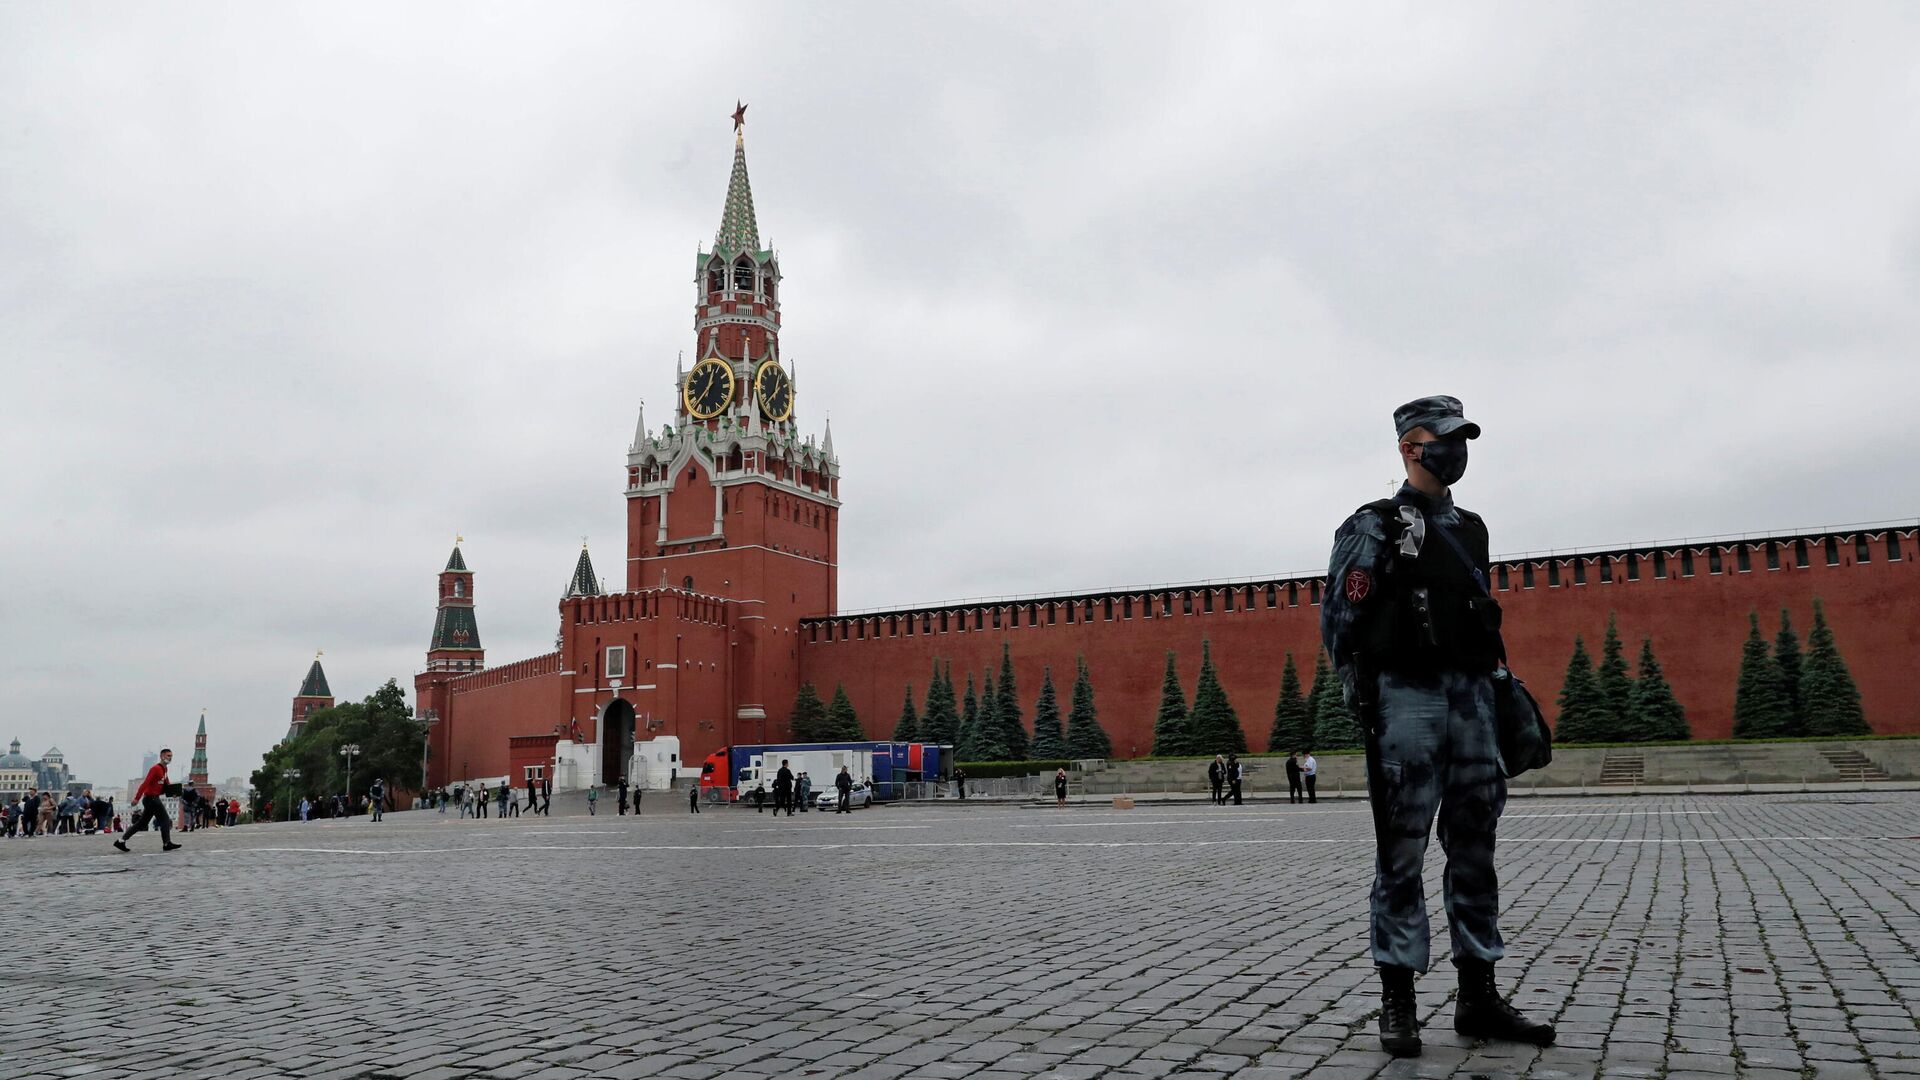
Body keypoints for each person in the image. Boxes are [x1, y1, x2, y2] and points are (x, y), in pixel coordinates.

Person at [1321, 395, 1554, 1058]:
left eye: (1461, 437)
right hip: (1408, 702)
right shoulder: (1374, 524)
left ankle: (1478, 996)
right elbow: (1341, 619)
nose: (1456, 449)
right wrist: (1360, 698)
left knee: (1475, 852)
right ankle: (1399, 998)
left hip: (1473, 699)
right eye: (1442, 437)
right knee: (1401, 856)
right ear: (1408, 447)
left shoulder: (1472, 527)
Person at [115, 748, 182, 853]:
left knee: (142, 823)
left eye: (171, 756)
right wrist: (137, 798)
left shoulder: (164, 769)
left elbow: (166, 783)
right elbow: (145, 784)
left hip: (152, 799)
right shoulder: (155, 769)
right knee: (165, 820)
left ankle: (121, 841)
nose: (170, 758)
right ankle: (167, 843)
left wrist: (172, 792)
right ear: (162, 756)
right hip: (151, 798)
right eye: (168, 756)